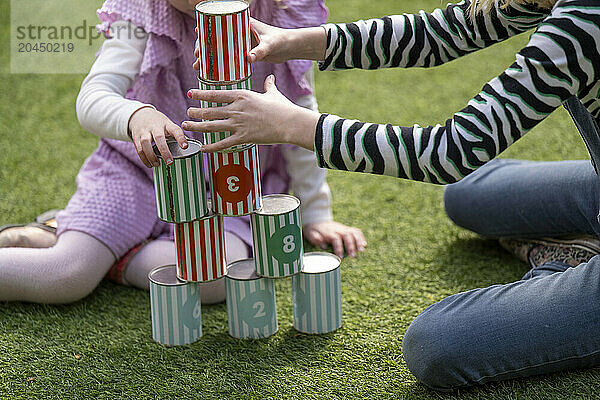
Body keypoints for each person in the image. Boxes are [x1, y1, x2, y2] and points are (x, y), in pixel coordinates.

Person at [183, 0, 600, 391]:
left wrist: (295, 126)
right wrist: (292, 42)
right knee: (466, 195)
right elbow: (447, 31)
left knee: (435, 343)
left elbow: (452, 151)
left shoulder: (585, 21)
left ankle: (568, 272)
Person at [0, 0, 366, 305]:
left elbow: (298, 114)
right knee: (66, 276)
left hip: (232, 186)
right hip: (139, 174)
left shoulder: (282, 15)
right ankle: (82, 240)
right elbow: (93, 97)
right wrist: (136, 115)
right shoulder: (143, 13)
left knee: (216, 277)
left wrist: (316, 213)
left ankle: (99, 246)